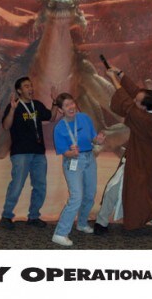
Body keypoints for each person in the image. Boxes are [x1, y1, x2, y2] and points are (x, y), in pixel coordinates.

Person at [97, 66, 152, 240]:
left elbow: (126, 104)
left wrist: (113, 79)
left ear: (143, 108)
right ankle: (101, 222)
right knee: (114, 189)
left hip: (139, 164)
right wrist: (121, 74)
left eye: (137, 102)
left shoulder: (144, 119)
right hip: (137, 161)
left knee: (143, 198)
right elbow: (136, 92)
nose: (135, 100)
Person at [0, 76, 58, 230]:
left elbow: (51, 118)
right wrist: (12, 110)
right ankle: (6, 216)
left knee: (40, 185)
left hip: (39, 152)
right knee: (17, 184)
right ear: (19, 90)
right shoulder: (14, 106)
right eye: (26, 86)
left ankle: (33, 216)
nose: (30, 88)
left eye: (31, 86)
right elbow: (6, 126)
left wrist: (55, 102)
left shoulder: (37, 105)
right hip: (20, 153)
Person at [52, 93, 105, 246]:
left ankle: (81, 224)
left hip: (89, 158)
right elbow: (64, 152)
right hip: (72, 161)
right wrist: (71, 152)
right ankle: (60, 233)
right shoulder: (60, 128)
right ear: (61, 110)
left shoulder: (84, 118)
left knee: (90, 194)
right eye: (67, 105)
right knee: (76, 197)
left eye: (72, 103)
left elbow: (93, 138)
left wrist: (98, 140)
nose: (71, 107)